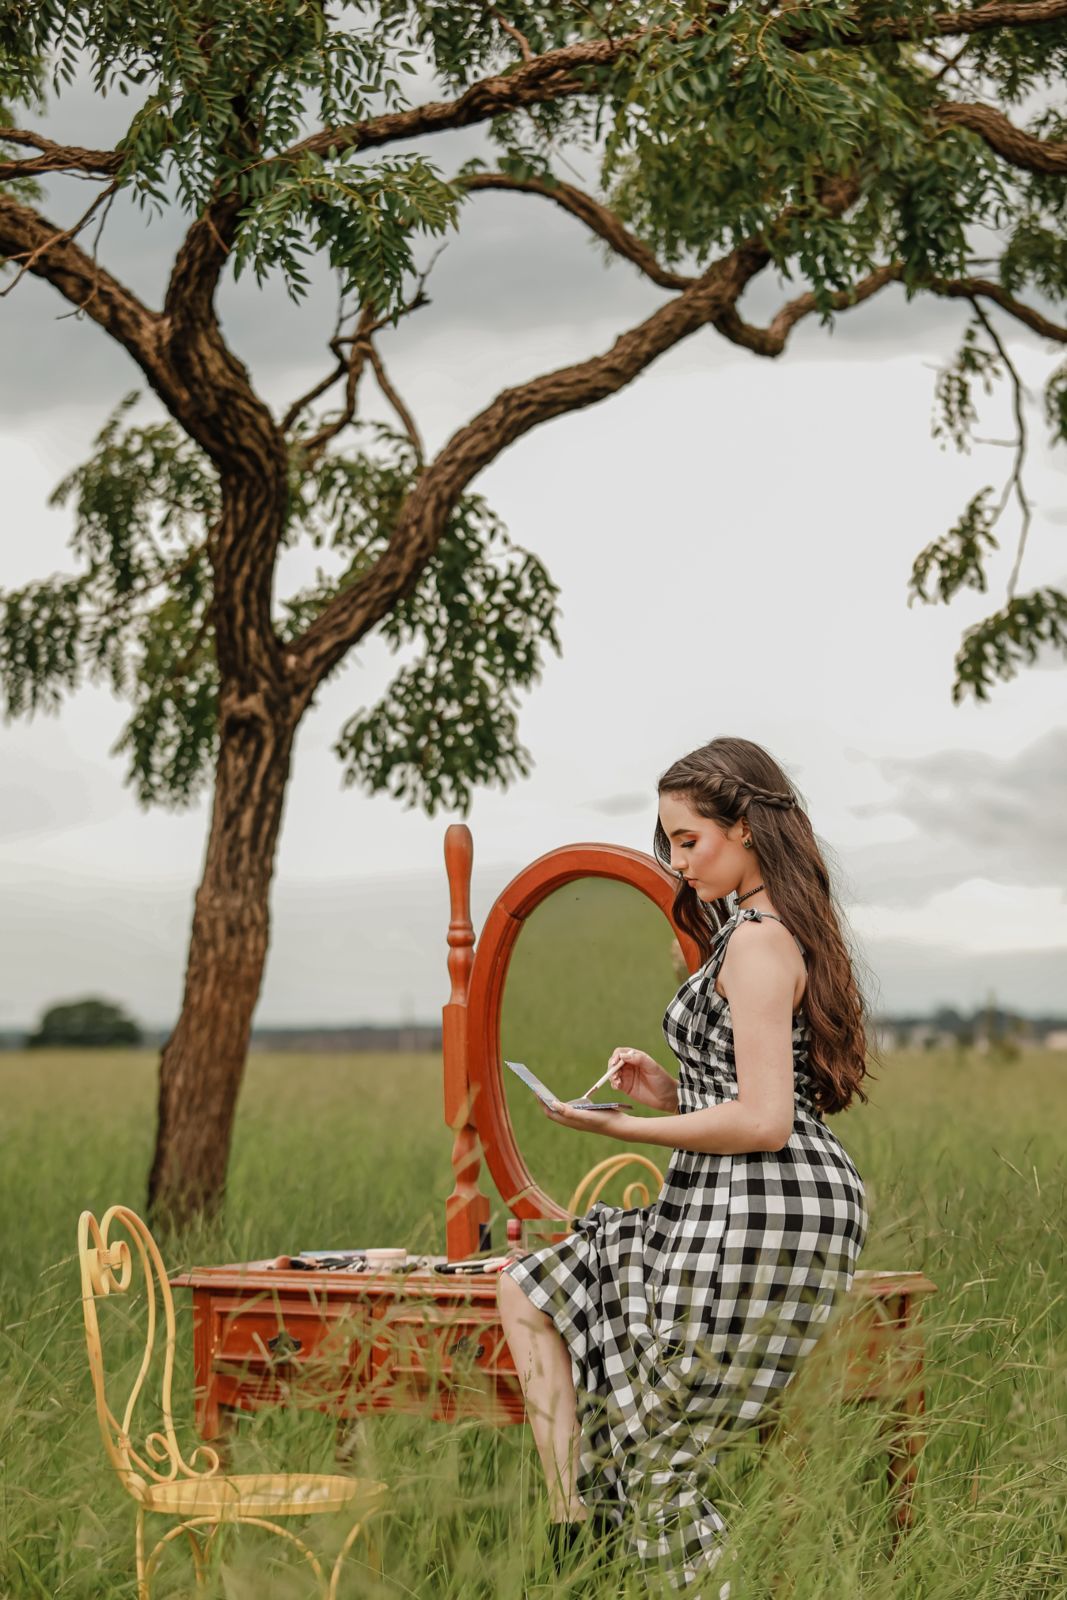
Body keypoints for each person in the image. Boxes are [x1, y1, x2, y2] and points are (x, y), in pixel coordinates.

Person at [498, 736, 871, 1593]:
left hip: (758, 1200)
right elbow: (753, 1095)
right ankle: (573, 1528)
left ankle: (587, 1550)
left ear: (745, 828)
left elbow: (766, 1121)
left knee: (659, 1463)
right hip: (748, 1193)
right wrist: (669, 1089)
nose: (676, 860)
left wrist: (626, 1129)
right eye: (668, 841)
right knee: (529, 1288)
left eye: (688, 839)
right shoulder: (758, 933)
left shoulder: (756, 942)